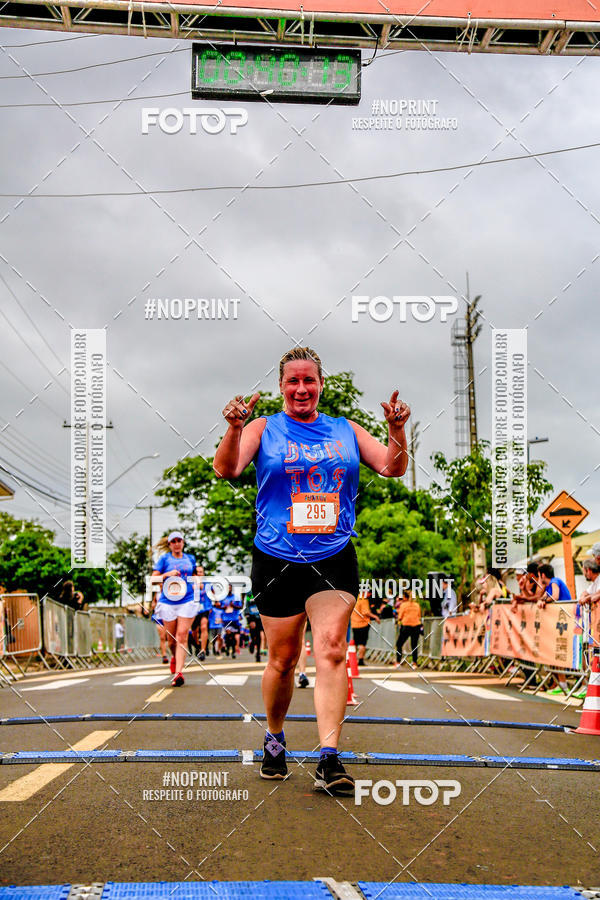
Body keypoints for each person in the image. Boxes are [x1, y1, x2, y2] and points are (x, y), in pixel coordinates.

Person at [213, 345, 410, 794]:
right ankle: (276, 739)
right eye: (292, 381)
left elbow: (392, 467)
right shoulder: (264, 428)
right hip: (276, 558)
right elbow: (227, 469)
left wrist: (397, 430)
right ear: (282, 386)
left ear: (322, 384)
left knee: (332, 650)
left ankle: (328, 758)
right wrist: (234, 426)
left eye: (309, 380)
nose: (301, 388)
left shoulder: (345, 430)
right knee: (283, 661)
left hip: (333, 556)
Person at [152, 530, 201, 686]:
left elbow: (195, 576)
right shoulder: (164, 559)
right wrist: (167, 574)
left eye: (179, 540)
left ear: (183, 542)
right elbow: (153, 579)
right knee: (172, 640)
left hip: (186, 600)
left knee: (181, 636)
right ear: (170, 544)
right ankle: (174, 657)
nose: (177, 543)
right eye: (174, 541)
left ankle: (179, 673)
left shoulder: (190, 559)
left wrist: (197, 583)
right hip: (168, 601)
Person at [350, 591, 379, 667]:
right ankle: (361, 660)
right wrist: (375, 617)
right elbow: (365, 612)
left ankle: (352, 659)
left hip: (354, 624)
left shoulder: (355, 598)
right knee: (362, 643)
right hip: (363, 624)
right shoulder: (363, 600)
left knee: (355, 642)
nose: (370, 595)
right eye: (369, 593)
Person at [190, 566, 212, 661]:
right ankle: (198, 646)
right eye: (197, 572)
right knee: (194, 631)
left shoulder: (207, 583)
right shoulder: (190, 583)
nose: (199, 574)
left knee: (203, 626)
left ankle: (202, 650)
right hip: (193, 610)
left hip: (205, 609)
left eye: (201, 572)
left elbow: (211, 593)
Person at [395, 588, 422, 666]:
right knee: (414, 645)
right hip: (416, 626)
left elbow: (400, 617)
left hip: (406, 626)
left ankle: (398, 661)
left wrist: (398, 621)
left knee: (399, 644)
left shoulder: (403, 605)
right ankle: (414, 662)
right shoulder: (417, 605)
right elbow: (419, 615)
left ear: (405, 597)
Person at [244, 592, 264, 663]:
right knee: (253, 635)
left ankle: (258, 653)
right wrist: (250, 619)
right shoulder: (250, 594)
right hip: (252, 617)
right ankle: (252, 642)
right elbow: (247, 606)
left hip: (261, 618)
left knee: (259, 636)